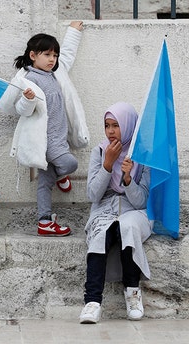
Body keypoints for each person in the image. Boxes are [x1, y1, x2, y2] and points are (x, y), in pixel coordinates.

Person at [0, 21, 89, 237]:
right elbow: (21, 110)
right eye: (47, 55)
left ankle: (44, 221)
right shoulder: (27, 80)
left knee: (44, 183)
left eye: (53, 56)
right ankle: (61, 174)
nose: (52, 59)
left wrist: (74, 31)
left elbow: (67, 54)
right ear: (33, 55)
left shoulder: (56, 73)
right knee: (70, 163)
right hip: (45, 141)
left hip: (60, 137)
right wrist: (27, 100)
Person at [78, 102, 152, 324]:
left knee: (127, 227)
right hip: (104, 209)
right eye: (107, 125)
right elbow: (93, 195)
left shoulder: (143, 155)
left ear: (128, 126)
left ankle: (132, 293)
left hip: (134, 211)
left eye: (116, 126)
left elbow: (142, 202)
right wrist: (107, 165)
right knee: (101, 233)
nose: (110, 131)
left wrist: (128, 180)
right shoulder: (99, 151)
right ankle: (92, 302)